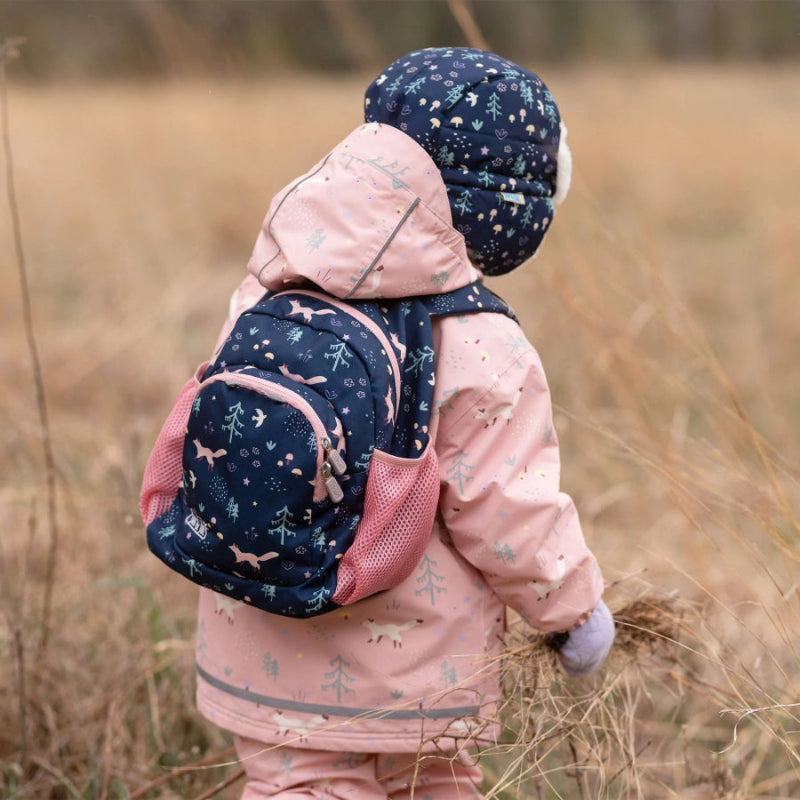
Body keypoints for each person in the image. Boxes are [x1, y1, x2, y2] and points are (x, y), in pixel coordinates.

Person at [193, 47, 615, 799]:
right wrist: (573, 612)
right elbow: (508, 511)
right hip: (418, 675)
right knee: (438, 784)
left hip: (259, 651)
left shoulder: (271, 286)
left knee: (303, 786)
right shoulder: (482, 339)